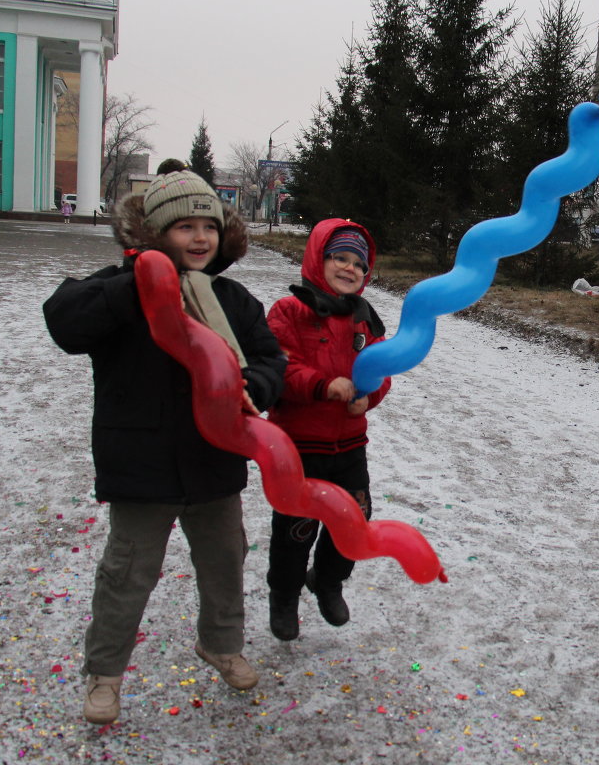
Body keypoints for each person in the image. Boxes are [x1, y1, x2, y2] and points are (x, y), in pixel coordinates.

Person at [43, 169, 287, 725]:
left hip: (215, 462)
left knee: (224, 562)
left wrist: (255, 385)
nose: (200, 238)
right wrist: (137, 284)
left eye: (209, 226)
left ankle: (221, 643)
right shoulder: (117, 290)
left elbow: (272, 359)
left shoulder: (232, 298)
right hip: (143, 467)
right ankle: (104, 673)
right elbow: (64, 322)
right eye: (184, 227)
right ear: (154, 234)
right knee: (127, 574)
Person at [265, 219, 390, 641]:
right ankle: (283, 594)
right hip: (299, 446)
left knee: (354, 519)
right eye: (340, 257)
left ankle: (328, 580)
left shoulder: (364, 318)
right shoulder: (289, 311)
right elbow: (280, 367)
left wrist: (368, 395)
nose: (349, 268)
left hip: (350, 444)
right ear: (319, 260)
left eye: (358, 263)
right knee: (296, 527)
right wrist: (323, 385)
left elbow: (382, 369)